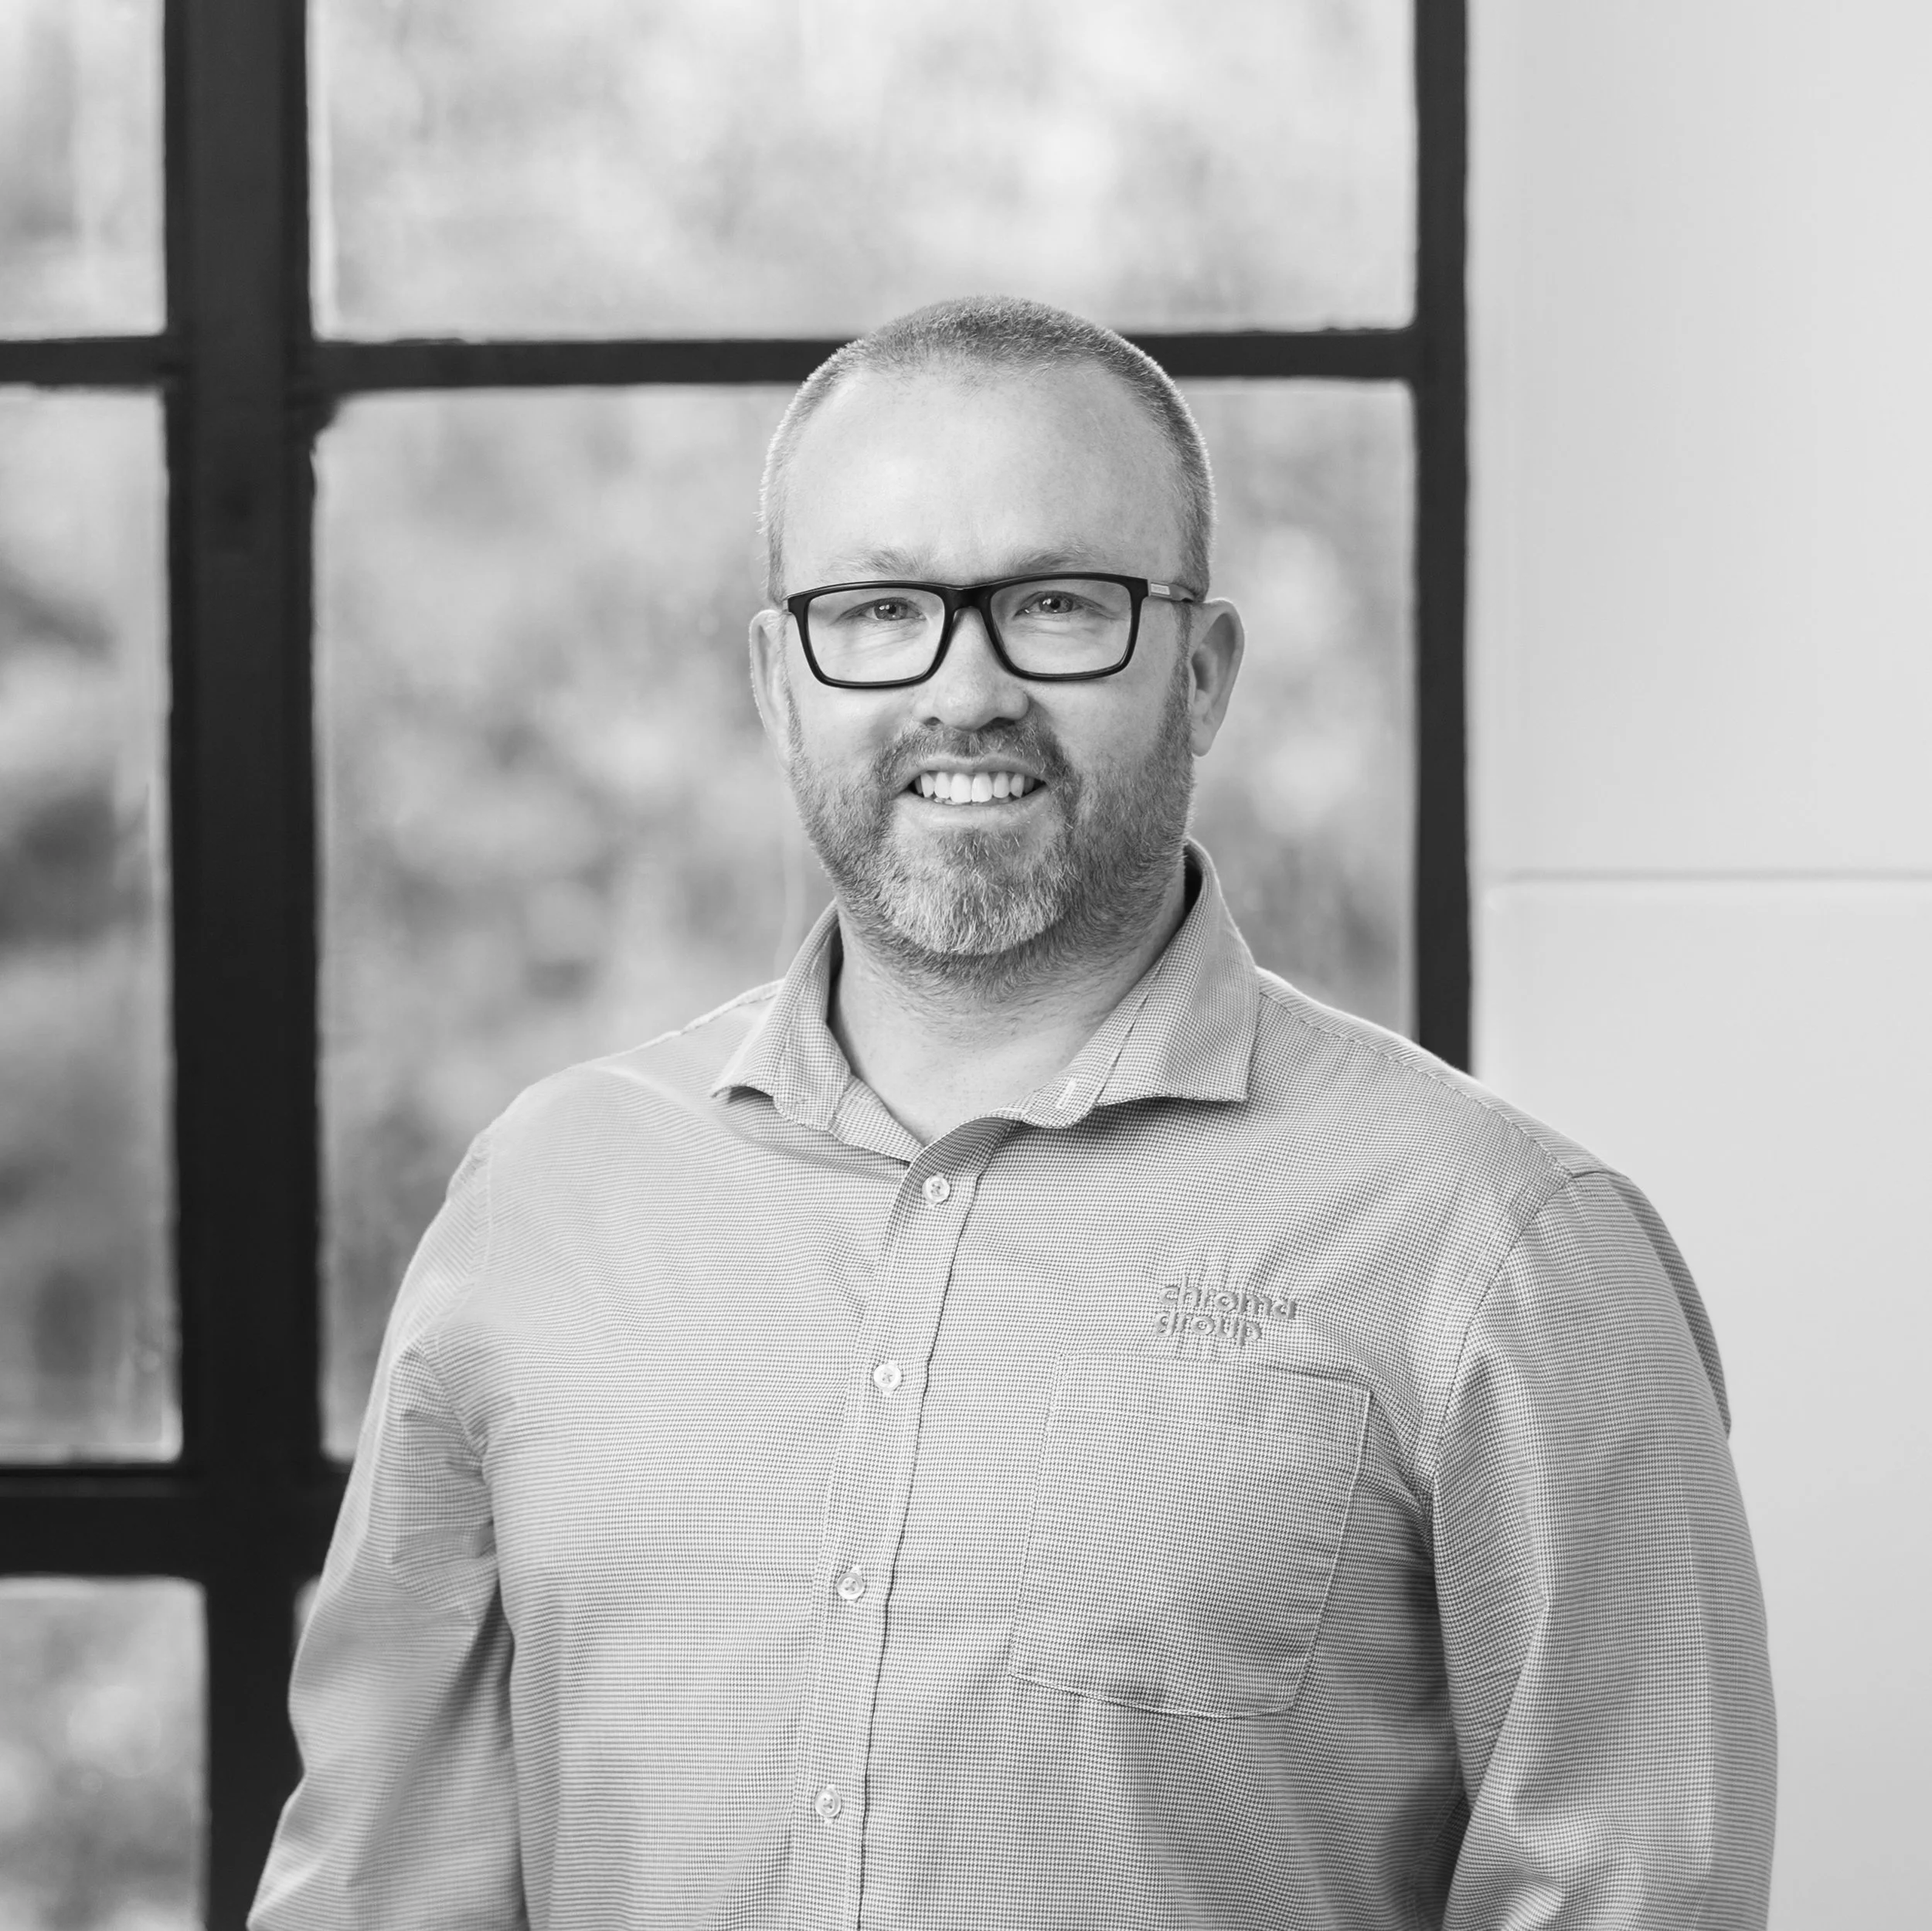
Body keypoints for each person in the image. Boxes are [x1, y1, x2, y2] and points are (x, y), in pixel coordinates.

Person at [251, 297, 1776, 1929]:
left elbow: (1638, 1894)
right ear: (778, 681)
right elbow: (376, 1885)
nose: (962, 689)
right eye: (878, 605)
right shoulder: (546, 1201)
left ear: (1200, 672)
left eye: (1056, 603)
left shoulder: (1505, 1248)